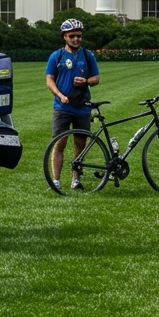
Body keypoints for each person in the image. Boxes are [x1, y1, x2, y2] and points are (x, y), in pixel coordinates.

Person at [45, 18, 100, 191]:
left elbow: (96, 78)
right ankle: (56, 180)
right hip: (62, 107)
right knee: (60, 143)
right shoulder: (57, 56)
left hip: (82, 106)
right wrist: (60, 95)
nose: (76, 39)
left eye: (79, 36)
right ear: (65, 37)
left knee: (80, 145)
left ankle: (76, 179)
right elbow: (49, 80)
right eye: (72, 36)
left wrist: (86, 81)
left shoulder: (87, 55)